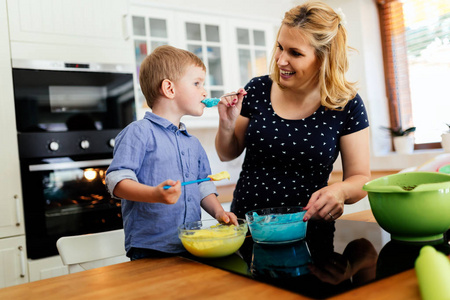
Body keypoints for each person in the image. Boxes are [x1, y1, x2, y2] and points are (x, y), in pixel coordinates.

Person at [215, 1, 370, 227]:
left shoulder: (346, 105)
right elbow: (227, 153)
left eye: (295, 53)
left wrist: (341, 191)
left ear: (324, 58)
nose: (280, 60)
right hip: (247, 228)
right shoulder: (257, 90)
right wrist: (227, 124)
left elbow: (361, 179)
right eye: (280, 47)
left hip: (309, 230)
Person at [106, 45, 237, 260]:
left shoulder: (192, 143)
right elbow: (116, 181)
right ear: (169, 89)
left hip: (191, 244)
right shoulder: (138, 133)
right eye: (196, 83)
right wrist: (154, 195)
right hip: (150, 249)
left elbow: (202, 184)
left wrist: (219, 213)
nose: (204, 92)